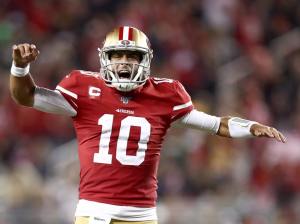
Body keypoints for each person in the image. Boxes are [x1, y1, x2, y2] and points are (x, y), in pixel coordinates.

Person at [9, 26, 286, 224]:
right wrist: (20, 69)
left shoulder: (166, 95)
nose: (124, 62)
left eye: (132, 56)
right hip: (96, 210)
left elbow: (215, 125)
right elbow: (26, 96)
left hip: (142, 213)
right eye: (118, 55)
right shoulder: (83, 88)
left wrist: (250, 127)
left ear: (146, 60)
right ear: (105, 59)